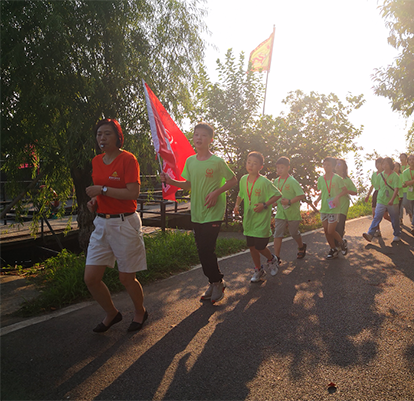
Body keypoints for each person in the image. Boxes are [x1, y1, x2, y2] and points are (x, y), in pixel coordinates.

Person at [160, 123, 237, 304]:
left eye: (203, 135)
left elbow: (233, 180)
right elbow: (189, 184)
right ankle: (213, 282)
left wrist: (216, 192)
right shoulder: (190, 161)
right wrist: (171, 180)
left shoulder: (217, 162)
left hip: (213, 212)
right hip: (197, 212)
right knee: (202, 251)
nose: (198, 138)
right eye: (196, 135)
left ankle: (218, 282)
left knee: (206, 249)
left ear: (210, 139)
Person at [84, 118, 148, 333]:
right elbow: (99, 194)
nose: (102, 138)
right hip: (101, 223)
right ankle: (112, 313)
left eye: (107, 134)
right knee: (91, 278)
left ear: (118, 136)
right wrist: (94, 202)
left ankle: (140, 311)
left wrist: (101, 190)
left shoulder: (128, 159)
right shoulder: (96, 161)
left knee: (126, 277)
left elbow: (133, 193)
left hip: (124, 223)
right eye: (99, 134)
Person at [234, 151, 282, 282]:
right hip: (249, 219)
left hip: (261, 219)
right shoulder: (244, 179)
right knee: (251, 246)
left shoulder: (264, 182)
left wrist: (264, 205)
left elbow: (278, 195)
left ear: (261, 167)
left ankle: (272, 259)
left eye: (255, 163)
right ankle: (258, 269)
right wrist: (237, 205)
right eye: (249, 162)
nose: (251, 165)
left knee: (260, 246)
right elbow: (241, 193)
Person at [272, 156, 307, 262]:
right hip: (280, 213)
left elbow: (301, 195)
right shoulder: (276, 182)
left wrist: (290, 201)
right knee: (277, 233)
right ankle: (276, 257)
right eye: (278, 168)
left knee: (293, 232)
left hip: (292, 213)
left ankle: (301, 246)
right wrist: (273, 202)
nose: (279, 170)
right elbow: (274, 195)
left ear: (288, 168)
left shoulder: (292, 181)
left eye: (282, 167)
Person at [313, 157, 348, 259]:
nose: (325, 167)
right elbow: (323, 192)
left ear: (333, 166)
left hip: (334, 208)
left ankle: (342, 242)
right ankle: (333, 249)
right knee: (325, 231)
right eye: (324, 165)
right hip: (324, 208)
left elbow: (344, 190)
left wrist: (337, 197)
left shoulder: (337, 178)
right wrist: (317, 199)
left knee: (330, 231)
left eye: (328, 165)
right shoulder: (321, 179)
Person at [363, 157, 401, 243]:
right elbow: (378, 187)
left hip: (392, 201)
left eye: (386, 164)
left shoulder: (395, 176)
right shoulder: (380, 176)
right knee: (377, 216)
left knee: (394, 218)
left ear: (391, 165)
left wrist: (391, 199)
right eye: (383, 164)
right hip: (381, 200)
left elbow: (396, 189)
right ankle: (370, 234)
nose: (384, 165)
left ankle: (397, 234)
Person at [334, 158, 357, 254]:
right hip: (333, 205)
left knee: (340, 225)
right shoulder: (332, 178)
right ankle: (338, 243)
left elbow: (355, 192)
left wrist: (346, 190)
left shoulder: (347, 180)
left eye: (339, 164)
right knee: (333, 227)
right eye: (336, 164)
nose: (337, 165)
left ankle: (339, 244)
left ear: (344, 167)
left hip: (343, 204)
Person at [364, 157, 384, 236]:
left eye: (379, 164)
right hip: (376, 193)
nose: (377, 165)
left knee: (385, 215)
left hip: (383, 193)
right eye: (376, 164)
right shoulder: (374, 174)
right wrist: (367, 195)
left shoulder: (385, 174)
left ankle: (396, 224)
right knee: (374, 213)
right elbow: (372, 186)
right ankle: (377, 230)